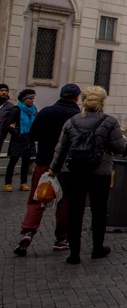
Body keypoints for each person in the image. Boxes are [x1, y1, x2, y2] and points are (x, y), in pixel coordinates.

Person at [48, 86, 126, 264]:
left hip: (73, 171)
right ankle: (97, 247)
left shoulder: (71, 121)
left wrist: (53, 169)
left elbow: (61, 150)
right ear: (102, 102)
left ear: (82, 101)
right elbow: (119, 148)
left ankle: (74, 253)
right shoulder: (109, 121)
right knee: (99, 210)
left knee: (75, 210)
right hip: (100, 171)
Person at [13, 83, 80, 256]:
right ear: (77, 98)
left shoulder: (45, 112)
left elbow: (33, 135)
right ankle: (61, 239)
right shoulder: (77, 116)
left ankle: (28, 232)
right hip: (67, 166)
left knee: (37, 198)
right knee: (64, 202)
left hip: (44, 164)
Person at [3, 88, 36, 192]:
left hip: (29, 139)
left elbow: (36, 123)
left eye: (32, 98)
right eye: (29, 98)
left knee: (26, 162)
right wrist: (17, 132)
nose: (32, 100)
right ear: (24, 99)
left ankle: (23, 182)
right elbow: (8, 125)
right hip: (18, 138)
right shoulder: (16, 110)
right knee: (13, 161)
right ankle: (8, 183)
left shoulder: (34, 110)